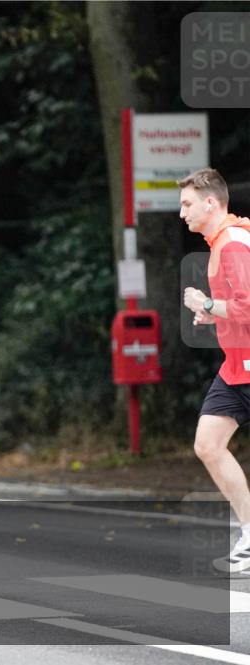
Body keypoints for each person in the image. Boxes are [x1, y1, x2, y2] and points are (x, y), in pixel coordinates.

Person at [179, 169, 250, 572]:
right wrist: (214, 316)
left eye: (187, 204)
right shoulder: (223, 240)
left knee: (208, 445)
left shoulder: (234, 243)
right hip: (237, 366)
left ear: (210, 202)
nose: (182, 213)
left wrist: (207, 305)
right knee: (208, 444)